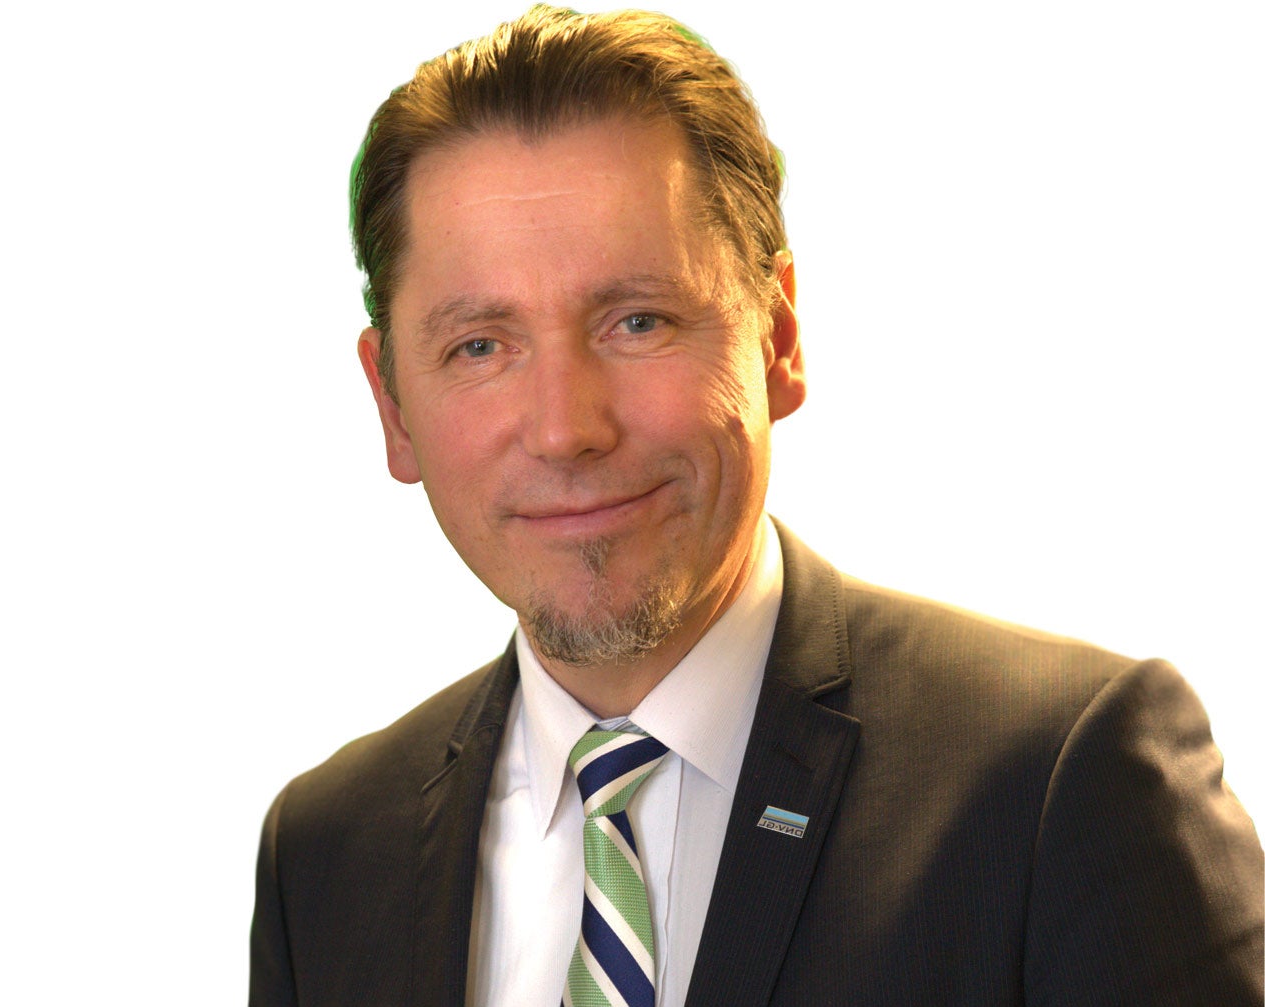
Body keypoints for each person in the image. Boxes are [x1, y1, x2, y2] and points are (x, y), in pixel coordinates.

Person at [249, 6, 1264, 1004]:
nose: (564, 428)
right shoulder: (324, 856)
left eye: (637, 321)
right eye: (480, 345)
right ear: (392, 405)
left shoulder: (1058, 783)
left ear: (777, 338)